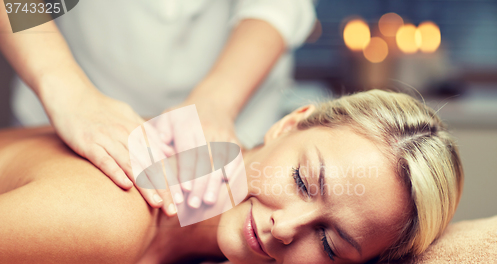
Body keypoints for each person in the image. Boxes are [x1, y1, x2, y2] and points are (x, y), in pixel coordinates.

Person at [0, 90, 463, 264]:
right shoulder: (118, 216)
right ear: (288, 123)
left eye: (329, 243)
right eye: (303, 181)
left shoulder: (175, 216)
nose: (285, 228)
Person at [0, 0, 317, 215]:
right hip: (67, 107)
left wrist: (215, 103)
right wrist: (65, 86)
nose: (286, 229)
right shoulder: (106, 219)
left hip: (236, 117)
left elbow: (279, 6)